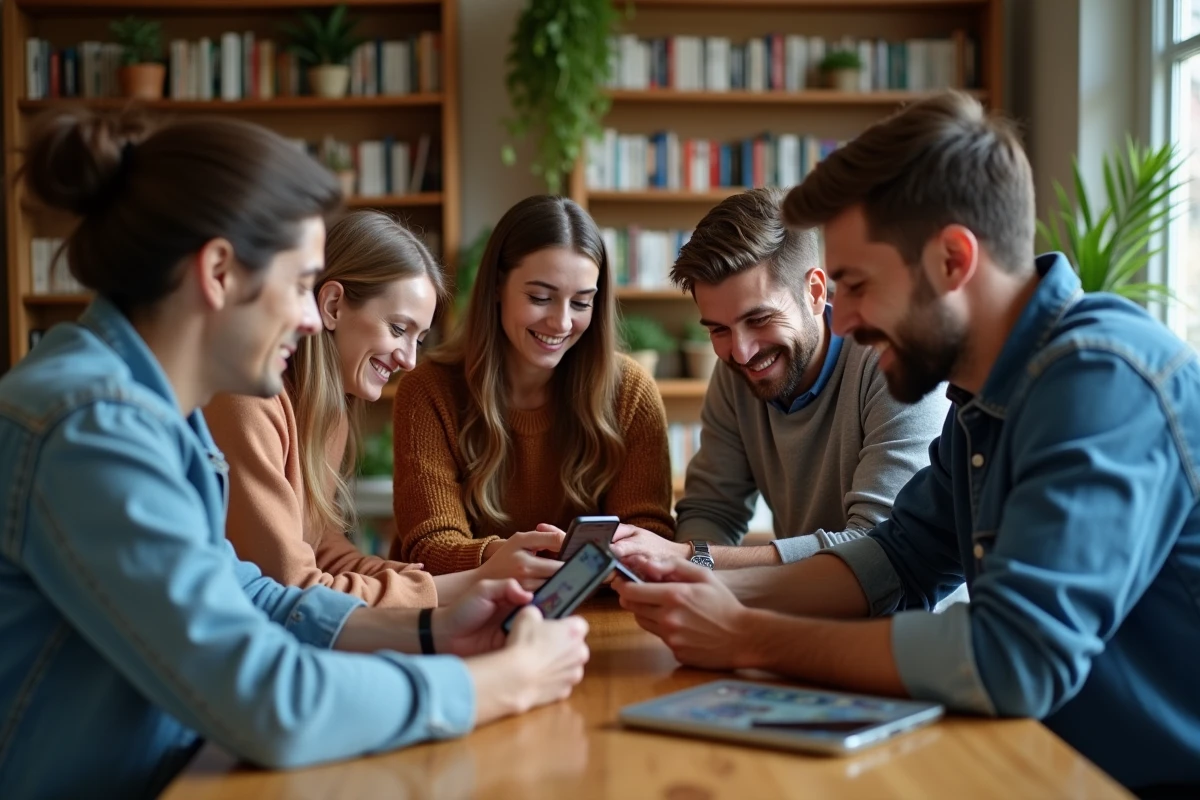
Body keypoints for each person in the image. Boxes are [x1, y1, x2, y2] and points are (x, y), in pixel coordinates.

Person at [614, 90, 1200, 794]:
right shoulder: (981, 401)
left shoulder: (1100, 378)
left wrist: (746, 633)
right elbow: (896, 558)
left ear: (953, 260)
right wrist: (707, 587)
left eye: (857, 285)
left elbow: (1011, 656)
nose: (846, 319)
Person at [0, 109, 588, 800]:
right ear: (219, 272)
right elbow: (265, 699)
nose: (312, 318)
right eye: (302, 283)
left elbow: (253, 597)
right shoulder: (90, 428)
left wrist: (430, 628)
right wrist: (499, 683)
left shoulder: (160, 415)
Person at [206, 210, 565, 608]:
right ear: (333, 305)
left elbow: (322, 548)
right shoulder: (247, 401)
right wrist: (466, 583)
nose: (410, 360)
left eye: (419, 338)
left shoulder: (328, 408)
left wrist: (423, 579)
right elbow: (292, 587)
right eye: (398, 329)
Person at [608, 188, 948, 569]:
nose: (741, 352)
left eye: (759, 319)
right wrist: (687, 573)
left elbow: (879, 549)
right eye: (718, 329)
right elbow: (713, 510)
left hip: (908, 621)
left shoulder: (895, 361)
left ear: (815, 292)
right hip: (804, 611)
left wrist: (692, 557)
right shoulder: (734, 372)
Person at [390, 195, 674, 574]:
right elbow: (431, 546)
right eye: (540, 297)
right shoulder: (428, 391)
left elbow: (649, 535)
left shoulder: (630, 391)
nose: (561, 323)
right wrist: (504, 559)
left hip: (592, 608)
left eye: (581, 303)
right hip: (462, 612)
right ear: (496, 287)